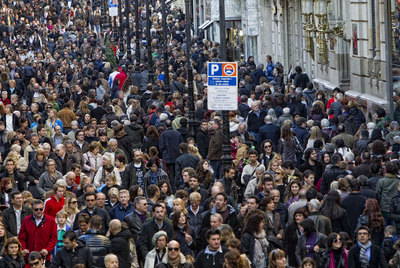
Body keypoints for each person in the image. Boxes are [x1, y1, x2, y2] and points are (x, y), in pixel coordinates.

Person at [18, 199, 57, 264]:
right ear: (32, 210)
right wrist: (23, 249)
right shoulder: (26, 220)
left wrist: (47, 249)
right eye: (36, 209)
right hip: (29, 257)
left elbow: (53, 238)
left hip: (44, 257)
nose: (39, 211)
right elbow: (22, 237)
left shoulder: (51, 220)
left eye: (41, 209)